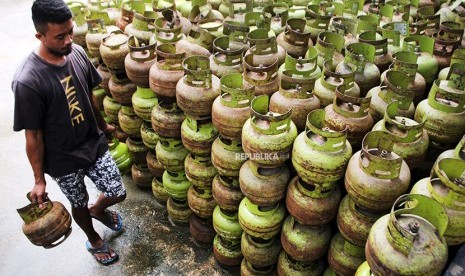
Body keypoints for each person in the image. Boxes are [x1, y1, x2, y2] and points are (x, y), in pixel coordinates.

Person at [12, 0, 126, 265]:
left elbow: (88, 93)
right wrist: (39, 179)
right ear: (39, 36)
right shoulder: (27, 81)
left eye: (70, 31)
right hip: (63, 160)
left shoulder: (76, 53)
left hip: (92, 143)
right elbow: (33, 136)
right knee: (78, 202)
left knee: (117, 191)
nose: (68, 40)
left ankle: (97, 210)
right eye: (60, 36)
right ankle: (95, 240)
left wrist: (103, 125)